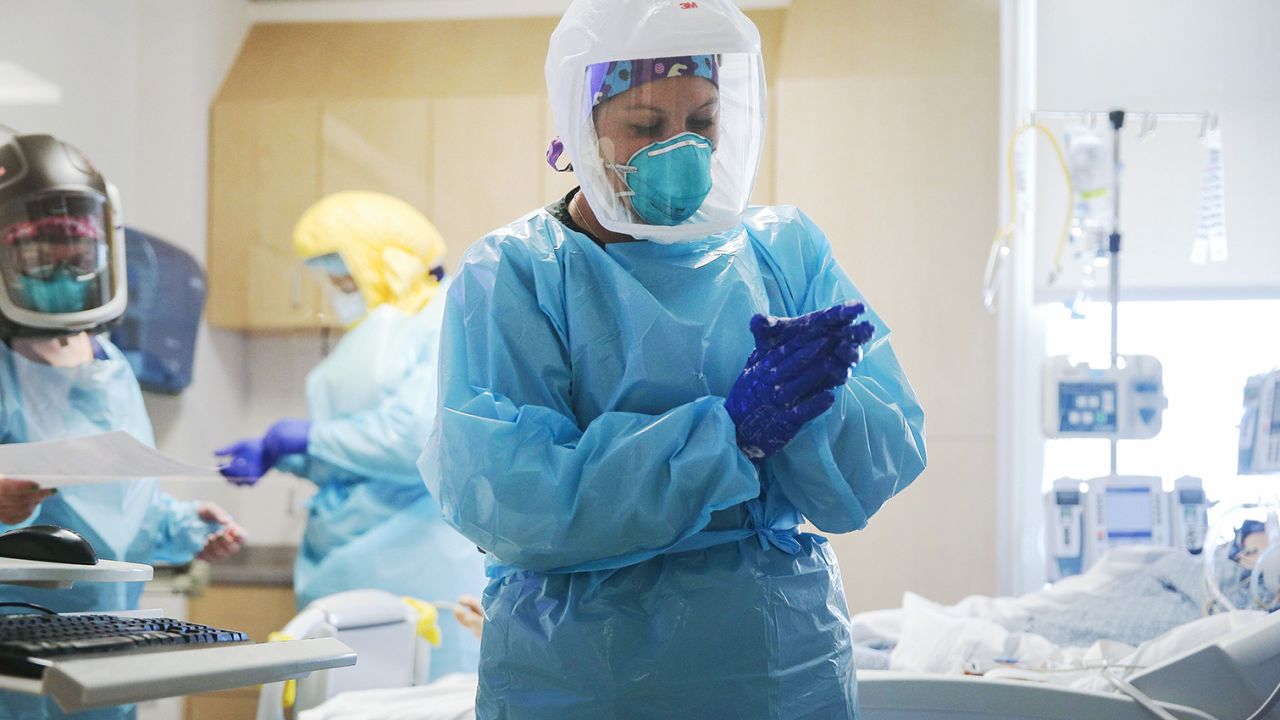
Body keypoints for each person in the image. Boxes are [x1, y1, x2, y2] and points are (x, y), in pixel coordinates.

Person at [418, 1, 928, 717]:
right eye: (646, 127)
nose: (682, 149)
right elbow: (509, 497)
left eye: (703, 122)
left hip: (778, 663)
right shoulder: (518, 273)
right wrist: (727, 436)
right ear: (580, 128)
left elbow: (867, 481)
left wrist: (817, 405)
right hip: (585, 677)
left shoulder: (784, 253)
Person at [0, 132, 245, 719]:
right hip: (13, 666)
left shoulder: (111, 366)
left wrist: (182, 527)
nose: (63, 269)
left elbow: (121, 510)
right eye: (38, 254)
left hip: (108, 647)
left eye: (77, 255)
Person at [216, 191, 486, 678]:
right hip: (348, 562)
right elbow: (359, 446)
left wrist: (305, 439)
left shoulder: (441, 316)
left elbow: (413, 441)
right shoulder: (381, 332)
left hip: (417, 565)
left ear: (385, 263)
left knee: (415, 697)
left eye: (344, 277)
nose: (339, 289)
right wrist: (287, 455)